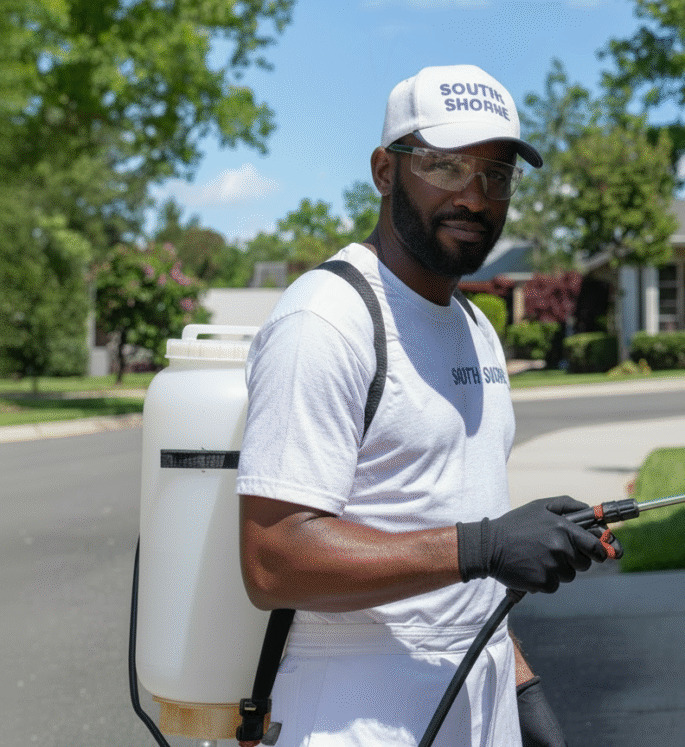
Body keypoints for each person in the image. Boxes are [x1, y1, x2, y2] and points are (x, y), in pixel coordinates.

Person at [236, 64, 614, 747]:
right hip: (355, 713)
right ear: (385, 169)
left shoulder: (477, 329)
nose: (475, 196)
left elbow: (458, 575)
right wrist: (486, 545)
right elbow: (272, 559)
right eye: (445, 166)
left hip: (477, 699)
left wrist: (523, 690)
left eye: (496, 175)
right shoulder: (328, 319)